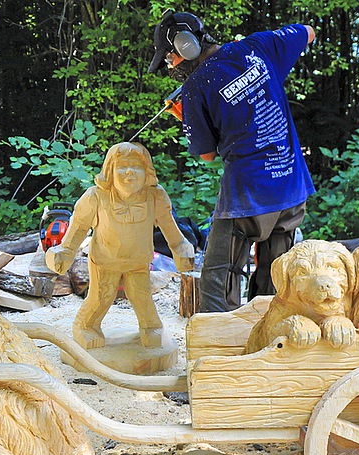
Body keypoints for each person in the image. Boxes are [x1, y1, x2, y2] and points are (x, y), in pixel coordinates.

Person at [147, 10, 316, 312]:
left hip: (249, 192)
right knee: (275, 275)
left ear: (186, 45)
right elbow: (308, 31)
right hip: (292, 186)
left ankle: (216, 347)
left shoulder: (196, 86)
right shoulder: (259, 46)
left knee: (218, 275)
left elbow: (207, 154)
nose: (170, 65)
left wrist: (185, 113)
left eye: (170, 57)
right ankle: (268, 338)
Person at [46, 142, 195, 349]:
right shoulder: (95, 197)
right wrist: (66, 251)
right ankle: (86, 328)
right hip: (105, 262)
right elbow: (78, 227)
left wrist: (181, 248)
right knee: (101, 298)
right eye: (121, 166)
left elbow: (171, 229)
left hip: (138, 262)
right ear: (109, 171)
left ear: (147, 171)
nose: (129, 172)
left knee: (142, 298)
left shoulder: (155, 197)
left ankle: (151, 329)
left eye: (136, 166)